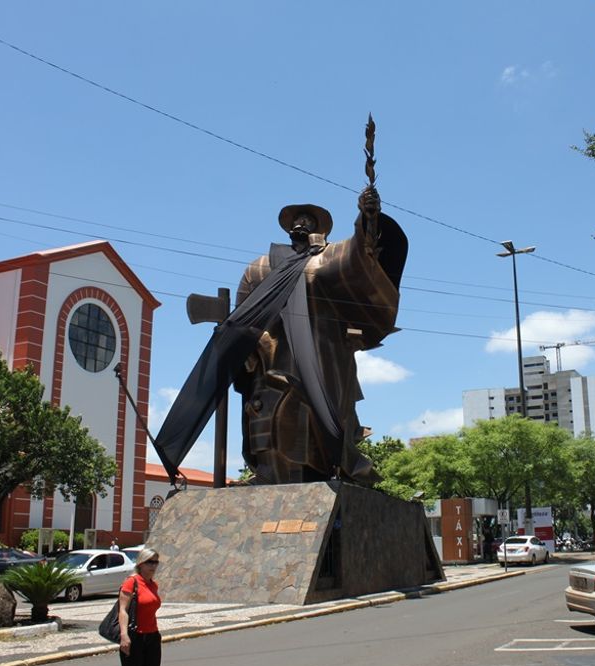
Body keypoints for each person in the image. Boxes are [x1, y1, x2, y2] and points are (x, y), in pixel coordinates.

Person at [154, 186, 408, 485]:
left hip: (323, 362)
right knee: (267, 416)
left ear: (319, 228)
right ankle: (268, 472)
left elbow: (358, 255)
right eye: (297, 220)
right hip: (270, 360)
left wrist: (368, 220)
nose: (301, 224)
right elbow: (243, 316)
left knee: (316, 423)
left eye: (308, 220)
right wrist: (247, 350)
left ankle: (326, 474)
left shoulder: (325, 259)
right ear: (288, 228)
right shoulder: (259, 268)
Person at [119, 548, 163, 666]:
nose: (153, 566)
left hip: (153, 637)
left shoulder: (153, 585)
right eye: (150, 562)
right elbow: (122, 610)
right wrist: (124, 635)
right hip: (135, 637)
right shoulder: (131, 582)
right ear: (141, 563)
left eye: (156, 562)